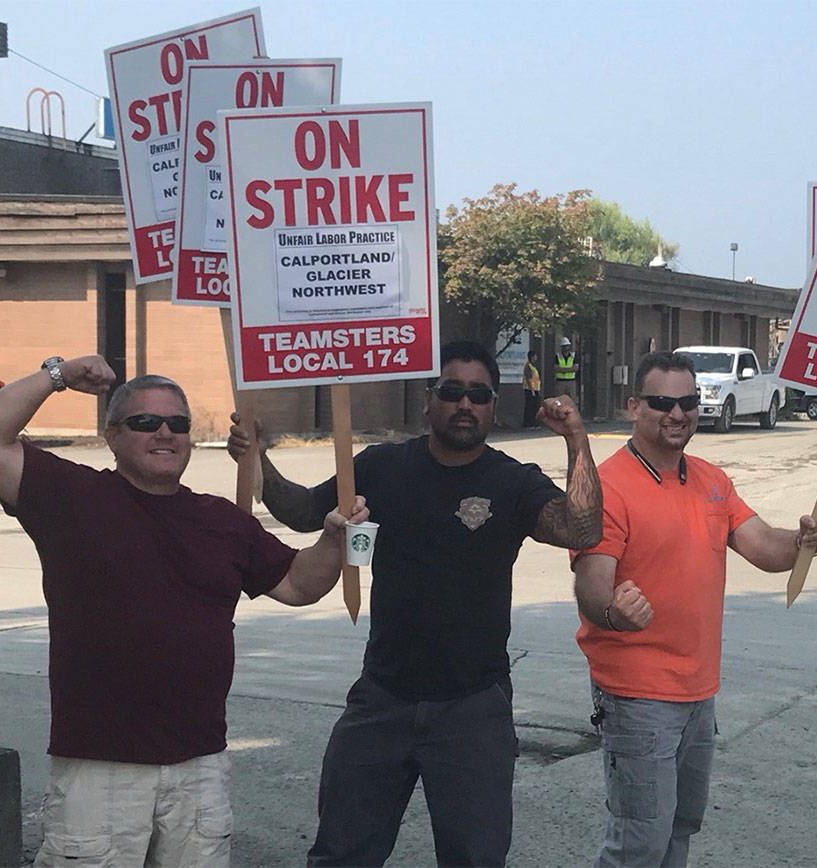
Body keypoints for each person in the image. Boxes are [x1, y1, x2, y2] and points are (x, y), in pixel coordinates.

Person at [0, 354, 363, 867]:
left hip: (199, 766)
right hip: (100, 768)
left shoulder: (221, 520)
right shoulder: (72, 496)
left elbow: (299, 585)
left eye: (179, 423)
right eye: (145, 422)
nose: (164, 433)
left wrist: (331, 539)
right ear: (112, 435)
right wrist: (57, 376)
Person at [226, 339, 603, 868]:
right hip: (383, 699)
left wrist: (576, 440)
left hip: (473, 708)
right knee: (340, 855)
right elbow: (305, 511)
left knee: (476, 859)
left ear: (494, 405)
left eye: (479, 393)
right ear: (429, 400)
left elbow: (581, 527)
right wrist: (257, 457)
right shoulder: (380, 468)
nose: (465, 404)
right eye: (452, 391)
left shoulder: (512, 482)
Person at [570, 350, 817, 867]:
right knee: (638, 841)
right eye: (662, 402)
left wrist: (806, 541)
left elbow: (764, 547)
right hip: (637, 695)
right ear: (633, 406)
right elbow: (592, 586)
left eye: (688, 401)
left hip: (698, 692)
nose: (677, 413)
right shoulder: (609, 487)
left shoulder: (713, 480)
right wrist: (613, 613)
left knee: (679, 829)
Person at [554, 336, 579, 404]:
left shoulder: (574, 356)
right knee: (559, 402)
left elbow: (575, 368)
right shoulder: (557, 356)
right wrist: (570, 369)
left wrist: (562, 370)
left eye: (566, 346)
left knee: (571, 401)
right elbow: (556, 368)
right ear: (561, 347)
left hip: (571, 381)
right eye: (564, 346)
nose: (565, 348)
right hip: (560, 382)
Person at [522, 348, 542, 428]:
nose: (536, 357)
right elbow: (529, 378)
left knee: (535, 406)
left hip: (535, 389)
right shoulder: (528, 366)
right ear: (532, 357)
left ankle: (533, 422)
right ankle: (528, 423)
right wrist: (532, 390)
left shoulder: (533, 366)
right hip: (530, 389)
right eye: (535, 356)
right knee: (530, 407)